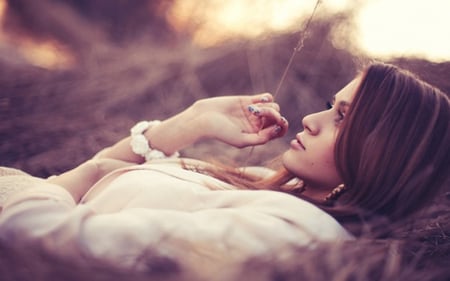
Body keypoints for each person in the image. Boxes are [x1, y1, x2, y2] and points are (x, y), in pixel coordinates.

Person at [0, 62, 448, 279]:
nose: (313, 118)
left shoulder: (287, 238)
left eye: (343, 118)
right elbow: (112, 174)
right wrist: (190, 123)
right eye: (331, 105)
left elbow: (30, 238)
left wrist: (65, 181)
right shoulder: (269, 190)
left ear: (380, 154)